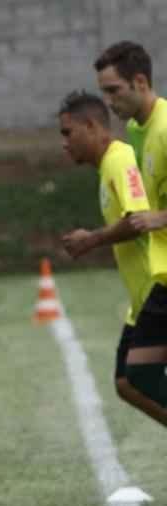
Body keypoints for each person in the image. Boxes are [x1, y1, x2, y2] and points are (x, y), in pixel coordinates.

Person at [58, 91, 163, 424]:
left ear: (92, 126)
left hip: (157, 290)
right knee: (126, 383)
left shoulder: (119, 160)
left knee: (139, 376)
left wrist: (92, 239)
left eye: (67, 133)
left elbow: (137, 218)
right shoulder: (107, 167)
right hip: (141, 301)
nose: (64, 143)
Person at [93, 41, 167, 413]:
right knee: (134, 375)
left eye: (113, 91)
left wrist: (161, 217)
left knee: (138, 373)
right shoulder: (139, 132)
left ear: (140, 81)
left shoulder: (166, 128)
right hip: (162, 277)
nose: (108, 101)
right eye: (103, 92)